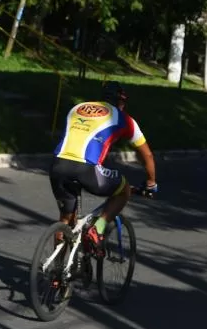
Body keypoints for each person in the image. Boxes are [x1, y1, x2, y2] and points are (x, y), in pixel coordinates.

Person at [49, 81, 157, 249]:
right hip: (86, 168)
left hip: (58, 164)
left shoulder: (78, 107)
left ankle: (57, 272)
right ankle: (97, 229)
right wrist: (151, 183)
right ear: (121, 101)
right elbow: (147, 155)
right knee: (124, 189)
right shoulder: (124, 119)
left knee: (65, 220)